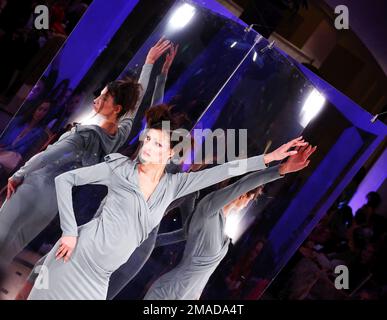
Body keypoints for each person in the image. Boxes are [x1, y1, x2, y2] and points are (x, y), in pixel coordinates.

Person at [27, 104, 308, 300]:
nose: (148, 147)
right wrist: (69, 231)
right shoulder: (119, 168)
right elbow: (65, 181)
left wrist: (273, 163)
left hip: (99, 277)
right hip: (74, 257)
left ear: (171, 154)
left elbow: (227, 170)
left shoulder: (175, 185)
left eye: (158, 144)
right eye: (147, 140)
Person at [0, 38, 173, 276]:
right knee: (10, 251)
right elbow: (134, 106)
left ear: (116, 108)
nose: (97, 100)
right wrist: (151, 66)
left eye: (103, 98)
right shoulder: (120, 135)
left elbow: (46, 156)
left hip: (33, 186)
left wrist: (19, 174)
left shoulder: (84, 133)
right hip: (53, 202)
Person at [143, 144, 316, 299]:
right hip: (166, 294)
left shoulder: (219, 224)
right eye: (251, 198)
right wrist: (281, 169)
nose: (248, 203)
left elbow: (185, 235)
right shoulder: (209, 208)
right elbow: (243, 183)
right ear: (244, 195)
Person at [0, 100, 52, 175]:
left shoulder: (40, 134)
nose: (41, 113)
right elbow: (3, 139)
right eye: (40, 109)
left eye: (45, 110)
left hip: (12, 161)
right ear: (35, 108)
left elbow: (27, 157)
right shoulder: (17, 120)